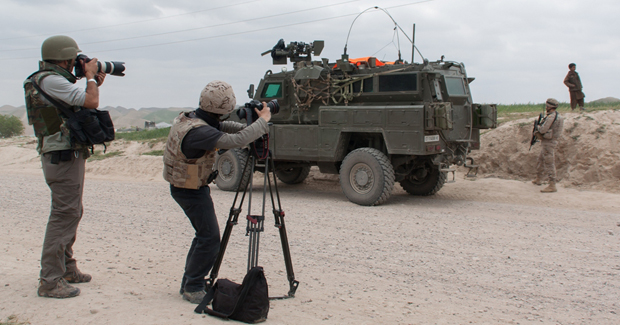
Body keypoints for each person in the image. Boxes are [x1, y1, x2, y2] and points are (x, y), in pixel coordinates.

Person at [163, 80, 271, 304]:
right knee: (210, 238)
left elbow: (222, 128)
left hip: (186, 187)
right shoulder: (200, 132)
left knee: (203, 235)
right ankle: (193, 286)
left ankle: (189, 281)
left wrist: (250, 128)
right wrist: (263, 123)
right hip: (190, 190)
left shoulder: (193, 118)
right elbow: (233, 140)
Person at [23, 35, 106, 298]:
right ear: (65, 58)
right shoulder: (52, 80)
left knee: (72, 211)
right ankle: (50, 280)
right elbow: (91, 102)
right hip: (61, 155)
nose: (77, 63)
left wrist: (90, 80)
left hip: (63, 152)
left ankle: (67, 268)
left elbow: (77, 100)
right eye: (75, 59)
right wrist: (90, 78)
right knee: (64, 215)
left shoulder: (47, 79)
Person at [532, 98, 564, 193]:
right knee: (541, 160)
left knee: (549, 163)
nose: (546, 108)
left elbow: (543, 130)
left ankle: (552, 184)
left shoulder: (551, 117)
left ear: (550, 107)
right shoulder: (557, 116)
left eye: (547, 106)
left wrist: (537, 127)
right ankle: (539, 178)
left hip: (548, 143)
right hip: (550, 141)